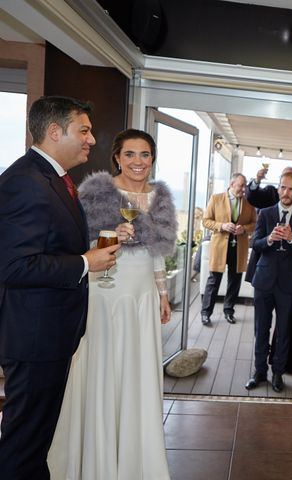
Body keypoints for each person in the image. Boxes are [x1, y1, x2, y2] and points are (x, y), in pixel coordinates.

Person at [47, 129, 177, 480]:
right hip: (105, 290)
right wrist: (109, 235)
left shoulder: (160, 197)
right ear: (117, 157)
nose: (138, 162)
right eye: (131, 154)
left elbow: (157, 253)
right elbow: (77, 242)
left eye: (145, 154)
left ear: (153, 159)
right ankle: (97, 460)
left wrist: (162, 293)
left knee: (137, 371)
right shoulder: (95, 192)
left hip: (141, 295)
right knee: (103, 367)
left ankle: (136, 460)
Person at [0, 96, 118, 480]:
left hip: (47, 334)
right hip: (34, 337)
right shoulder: (26, 183)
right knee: (23, 444)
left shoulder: (51, 179)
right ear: (54, 132)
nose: (91, 140)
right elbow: (15, 265)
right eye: (83, 130)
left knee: (33, 441)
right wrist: (86, 262)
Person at [245, 171, 292, 392]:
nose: (286, 192)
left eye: (291, 189)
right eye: (283, 187)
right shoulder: (265, 213)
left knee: (283, 331)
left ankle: (277, 374)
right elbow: (255, 243)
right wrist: (269, 238)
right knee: (260, 329)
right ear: (278, 188)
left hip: (288, 283)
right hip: (264, 280)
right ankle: (259, 372)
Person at [201, 173, 256, 325]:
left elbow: (254, 224)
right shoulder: (216, 199)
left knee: (235, 281)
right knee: (214, 280)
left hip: (239, 248)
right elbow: (205, 221)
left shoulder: (249, 203)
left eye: (244, 185)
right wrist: (222, 226)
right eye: (240, 185)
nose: (243, 189)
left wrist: (243, 229)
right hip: (220, 247)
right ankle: (206, 313)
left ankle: (229, 311)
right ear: (232, 185)